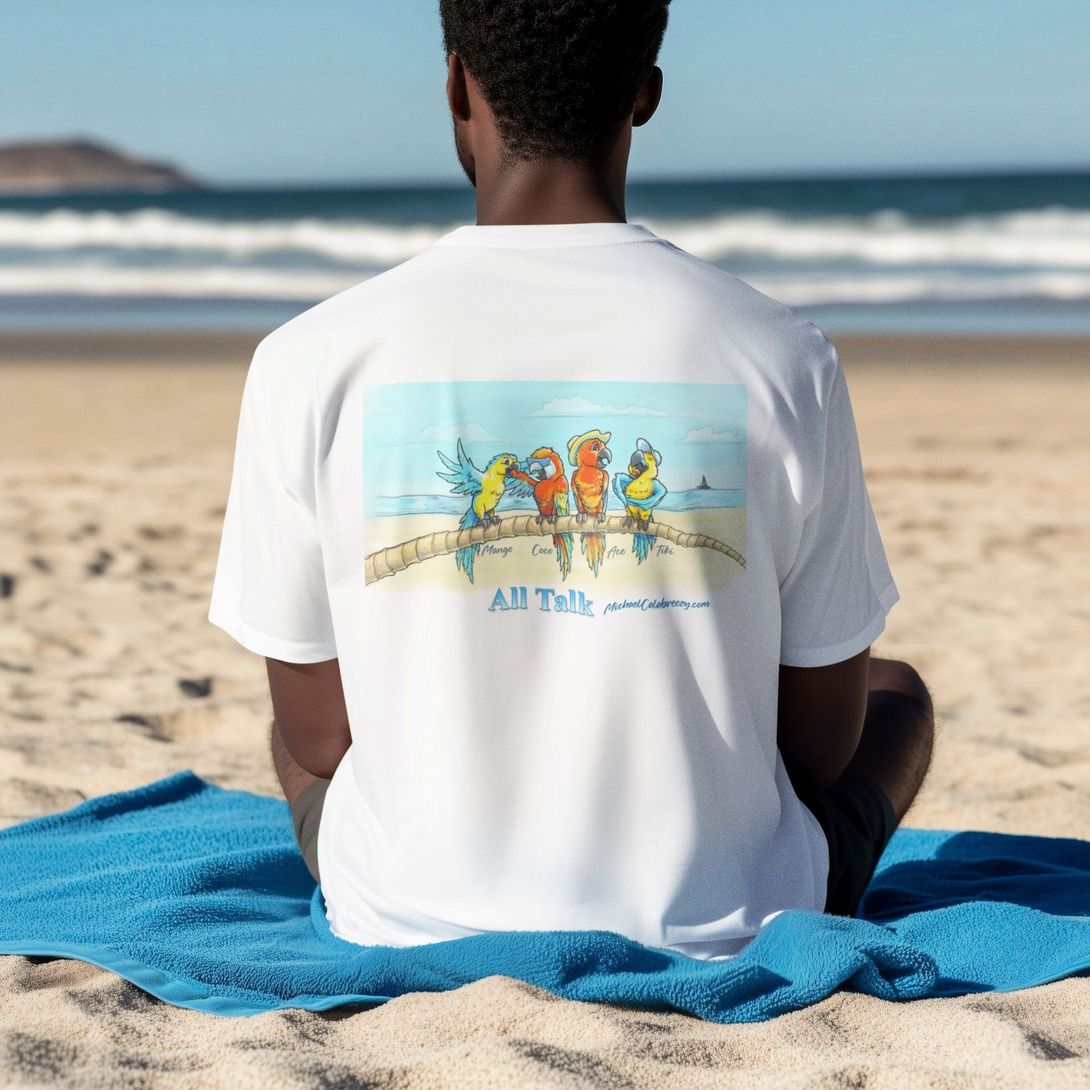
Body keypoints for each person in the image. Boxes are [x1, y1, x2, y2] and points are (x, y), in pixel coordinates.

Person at [209, 0, 934, 959]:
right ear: (646, 94)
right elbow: (819, 751)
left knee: (305, 709)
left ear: (457, 86)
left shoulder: (309, 357)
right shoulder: (780, 354)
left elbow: (319, 746)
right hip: (721, 920)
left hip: (410, 918)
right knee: (897, 695)